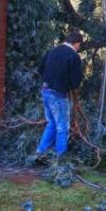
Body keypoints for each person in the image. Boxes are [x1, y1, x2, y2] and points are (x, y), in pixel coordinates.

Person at [33, 30, 84, 159]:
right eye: (79, 45)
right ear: (77, 43)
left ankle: (40, 152)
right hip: (58, 94)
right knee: (63, 126)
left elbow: (40, 69)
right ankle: (60, 158)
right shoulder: (73, 56)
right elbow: (76, 81)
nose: (79, 48)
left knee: (52, 123)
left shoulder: (52, 51)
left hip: (45, 90)